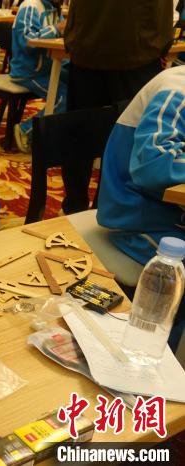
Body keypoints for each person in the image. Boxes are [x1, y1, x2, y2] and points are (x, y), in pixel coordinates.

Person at [96, 65, 185, 348]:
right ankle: (158, 356)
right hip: (137, 217)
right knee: (178, 279)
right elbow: (154, 166)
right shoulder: (176, 90)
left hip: (170, 213)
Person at [61, 0, 172, 214]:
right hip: (136, 48)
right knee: (124, 140)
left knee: (81, 136)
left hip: (91, 43)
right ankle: (106, 208)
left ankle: (77, 207)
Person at [10, 0, 67, 153]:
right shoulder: (30, 6)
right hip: (28, 71)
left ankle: (59, 135)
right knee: (64, 97)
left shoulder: (53, 7)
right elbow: (28, 41)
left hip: (48, 67)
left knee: (79, 84)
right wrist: (57, 28)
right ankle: (26, 130)